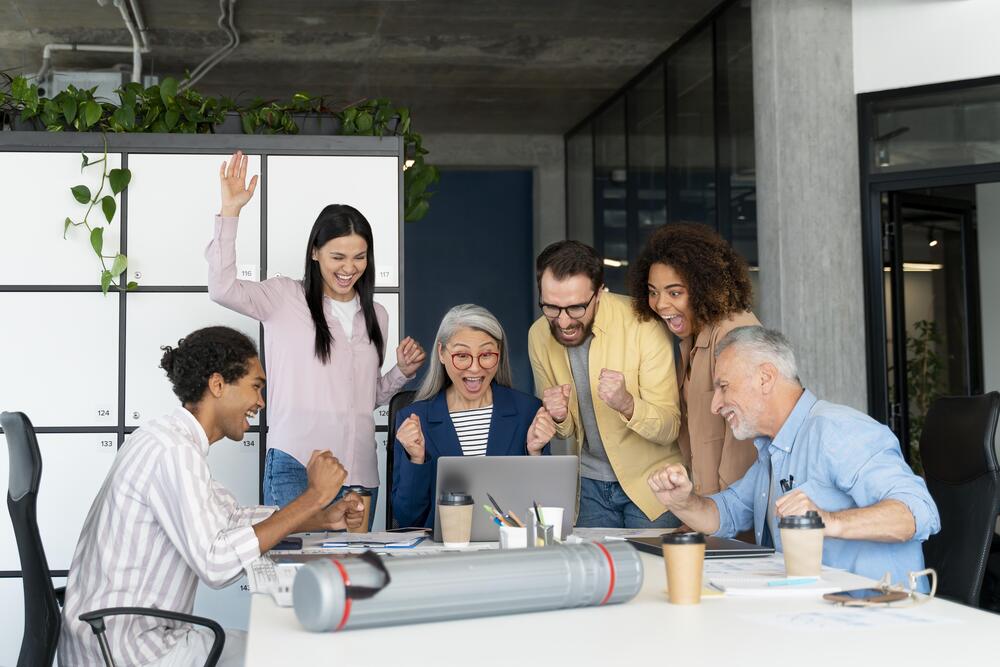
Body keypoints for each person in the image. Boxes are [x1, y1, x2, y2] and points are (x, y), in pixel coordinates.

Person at [59, 327, 365, 666]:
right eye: (256, 387)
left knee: (279, 647)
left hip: (122, 639)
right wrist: (312, 497)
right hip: (132, 651)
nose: (261, 403)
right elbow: (216, 563)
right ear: (218, 385)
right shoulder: (172, 451)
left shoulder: (168, 440)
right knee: (290, 654)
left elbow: (231, 518)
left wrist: (322, 516)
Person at [207, 151, 425, 519]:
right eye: (337, 256)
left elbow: (363, 399)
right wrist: (230, 213)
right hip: (295, 466)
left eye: (359, 257)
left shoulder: (378, 316)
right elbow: (222, 288)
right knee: (293, 575)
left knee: (351, 575)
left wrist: (400, 372)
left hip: (358, 474)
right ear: (315, 253)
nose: (349, 268)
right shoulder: (283, 297)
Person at [647, 326, 941, 589]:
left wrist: (826, 520)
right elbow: (726, 513)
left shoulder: (837, 430)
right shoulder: (771, 450)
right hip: (814, 613)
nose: (715, 405)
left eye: (723, 387)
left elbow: (918, 513)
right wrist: (684, 502)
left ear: (765, 378)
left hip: (875, 618)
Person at [527, 241, 682, 528]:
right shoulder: (538, 335)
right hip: (588, 487)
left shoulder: (644, 324)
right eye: (550, 307)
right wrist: (558, 416)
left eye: (575, 308)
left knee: (653, 572)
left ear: (599, 293)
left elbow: (670, 426)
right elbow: (565, 431)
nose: (562, 321)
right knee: (596, 572)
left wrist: (627, 404)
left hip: (652, 485)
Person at [393, 304, 556, 529]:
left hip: (509, 553)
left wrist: (535, 453)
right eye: (462, 356)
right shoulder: (413, 419)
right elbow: (408, 519)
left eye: (486, 355)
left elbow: (545, 516)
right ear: (441, 353)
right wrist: (416, 459)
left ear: (498, 355)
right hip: (444, 555)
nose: (474, 368)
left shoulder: (528, 412)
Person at [631, 223, 761, 496]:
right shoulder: (692, 338)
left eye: (674, 292)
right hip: (709, 506)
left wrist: (721, 514)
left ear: (705, 287)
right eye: (653, 292)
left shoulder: (733, 332)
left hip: (733, 510)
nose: (661, 304)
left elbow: (746, 439)